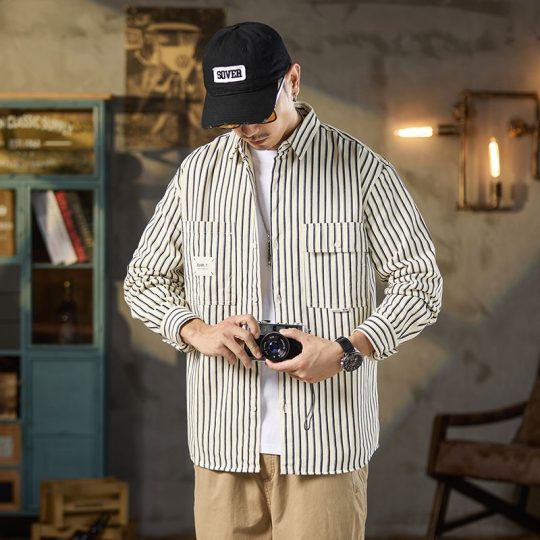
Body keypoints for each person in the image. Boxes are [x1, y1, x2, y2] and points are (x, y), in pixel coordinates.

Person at [124, 21, 443, 540]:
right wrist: (195, 330)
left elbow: (420, 284)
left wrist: (345, 349)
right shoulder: (197, 176)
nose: (248, 128)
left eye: (261, 111)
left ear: (292, 80)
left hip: (327, 441)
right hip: (223, 441)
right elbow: (145, 279)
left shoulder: (362, 171)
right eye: (233, 117)